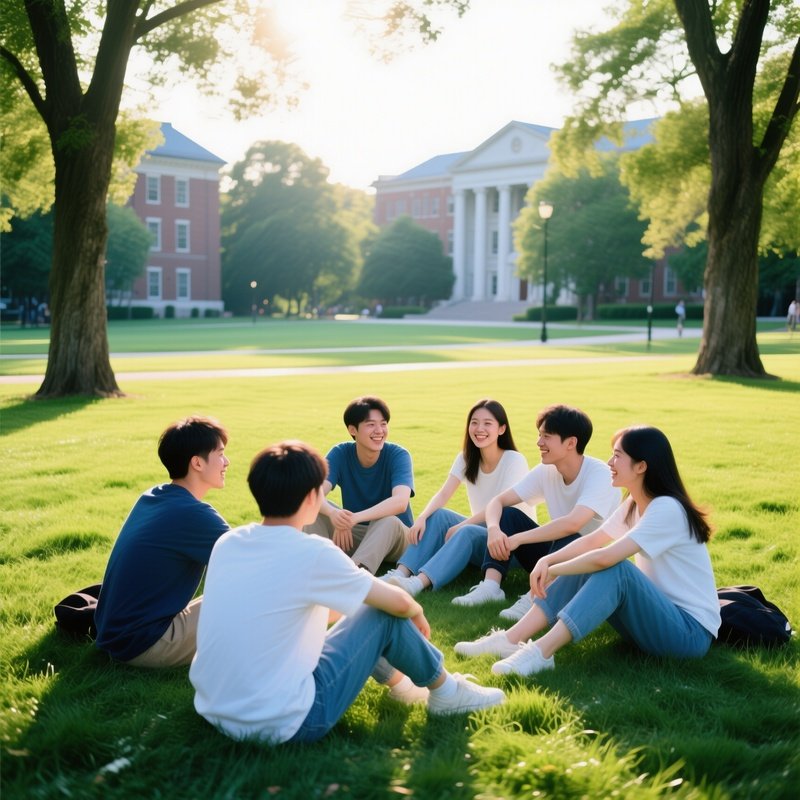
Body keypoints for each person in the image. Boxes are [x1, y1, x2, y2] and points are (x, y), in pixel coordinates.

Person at [190, 441, 506, 743]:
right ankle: (448, 692)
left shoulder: (229, 542)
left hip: (214, 710)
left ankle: (404, 686)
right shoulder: (311, 552)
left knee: (359, 612)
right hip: (287, 722)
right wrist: (414, 609)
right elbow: (394, 603)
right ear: (314, 497)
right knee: (381, 610)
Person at [454, 425, 720, 677]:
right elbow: (593, 541)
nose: (609, 463)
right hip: (655, 620)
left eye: (617, 456)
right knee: (584, 562)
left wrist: (552, 569)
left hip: (688, 635)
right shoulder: (633, 505)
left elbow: (605, 556)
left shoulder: (666, 508)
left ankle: (541, 653)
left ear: (641, 466)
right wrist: (548, 559)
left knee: (616, 570)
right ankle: (510, 639)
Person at [449, 404, 620, 621]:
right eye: (540, 435)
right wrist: (493, 529)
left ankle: (534, 598)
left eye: (546, 437)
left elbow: (572, 524)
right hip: (550, 557)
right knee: (508, 514)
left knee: (569, 535)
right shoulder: (546, 470)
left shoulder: (599, 475)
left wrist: (517, 539)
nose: (539, 443)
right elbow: (498, 501)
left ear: (571, 443)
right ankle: (491, 587)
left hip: (585, 563)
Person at [94, 416, 230, 667]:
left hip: (117, 635)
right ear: (197, 463)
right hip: (146, 644)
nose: (227, 462)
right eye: (220, 454)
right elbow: (254, 563)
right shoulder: (192, 514)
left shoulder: (154, 496)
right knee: (253, 595)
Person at [381, 399, 535, 600]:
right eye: (474, 422)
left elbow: (500, 504)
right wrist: (422, 517)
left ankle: (418, 583)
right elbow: (444, 494)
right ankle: (401, 573)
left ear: (502, 429)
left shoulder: (514, 460)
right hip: (483, 534)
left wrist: (462, 525)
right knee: (438, 515)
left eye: (487, 423)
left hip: (509, 543)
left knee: (467, 530)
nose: (479, 428)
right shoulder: (466, 458)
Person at [304, 396, 412, 574]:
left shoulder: (398, 455)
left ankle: (352, 575)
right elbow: (313, 493)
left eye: (383, 424)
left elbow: (400, 503)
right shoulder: (340, 453)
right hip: (357, 533)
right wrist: (335, 515)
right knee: (312, 508)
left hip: (397, 537)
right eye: (371, 424)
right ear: (352, 429)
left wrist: (353, 518)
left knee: (388, 521)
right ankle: (316, 565)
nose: (379, 431)